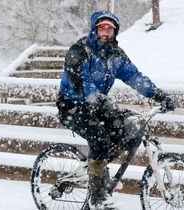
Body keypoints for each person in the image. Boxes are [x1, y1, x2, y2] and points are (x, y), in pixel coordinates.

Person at [56, 11, 174, 210]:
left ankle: (100, 171)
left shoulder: (115, 55)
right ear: (95, 29)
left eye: (110, 28)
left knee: (126, 127)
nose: (105, 32)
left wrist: (158, 95)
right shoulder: (80, 50)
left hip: (97, 106)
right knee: (100, 138)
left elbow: (135, 77)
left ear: (115, 32)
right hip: (72, 106)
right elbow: (81, 83)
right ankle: (97, 195)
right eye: (102, 27)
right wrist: (100, 101)